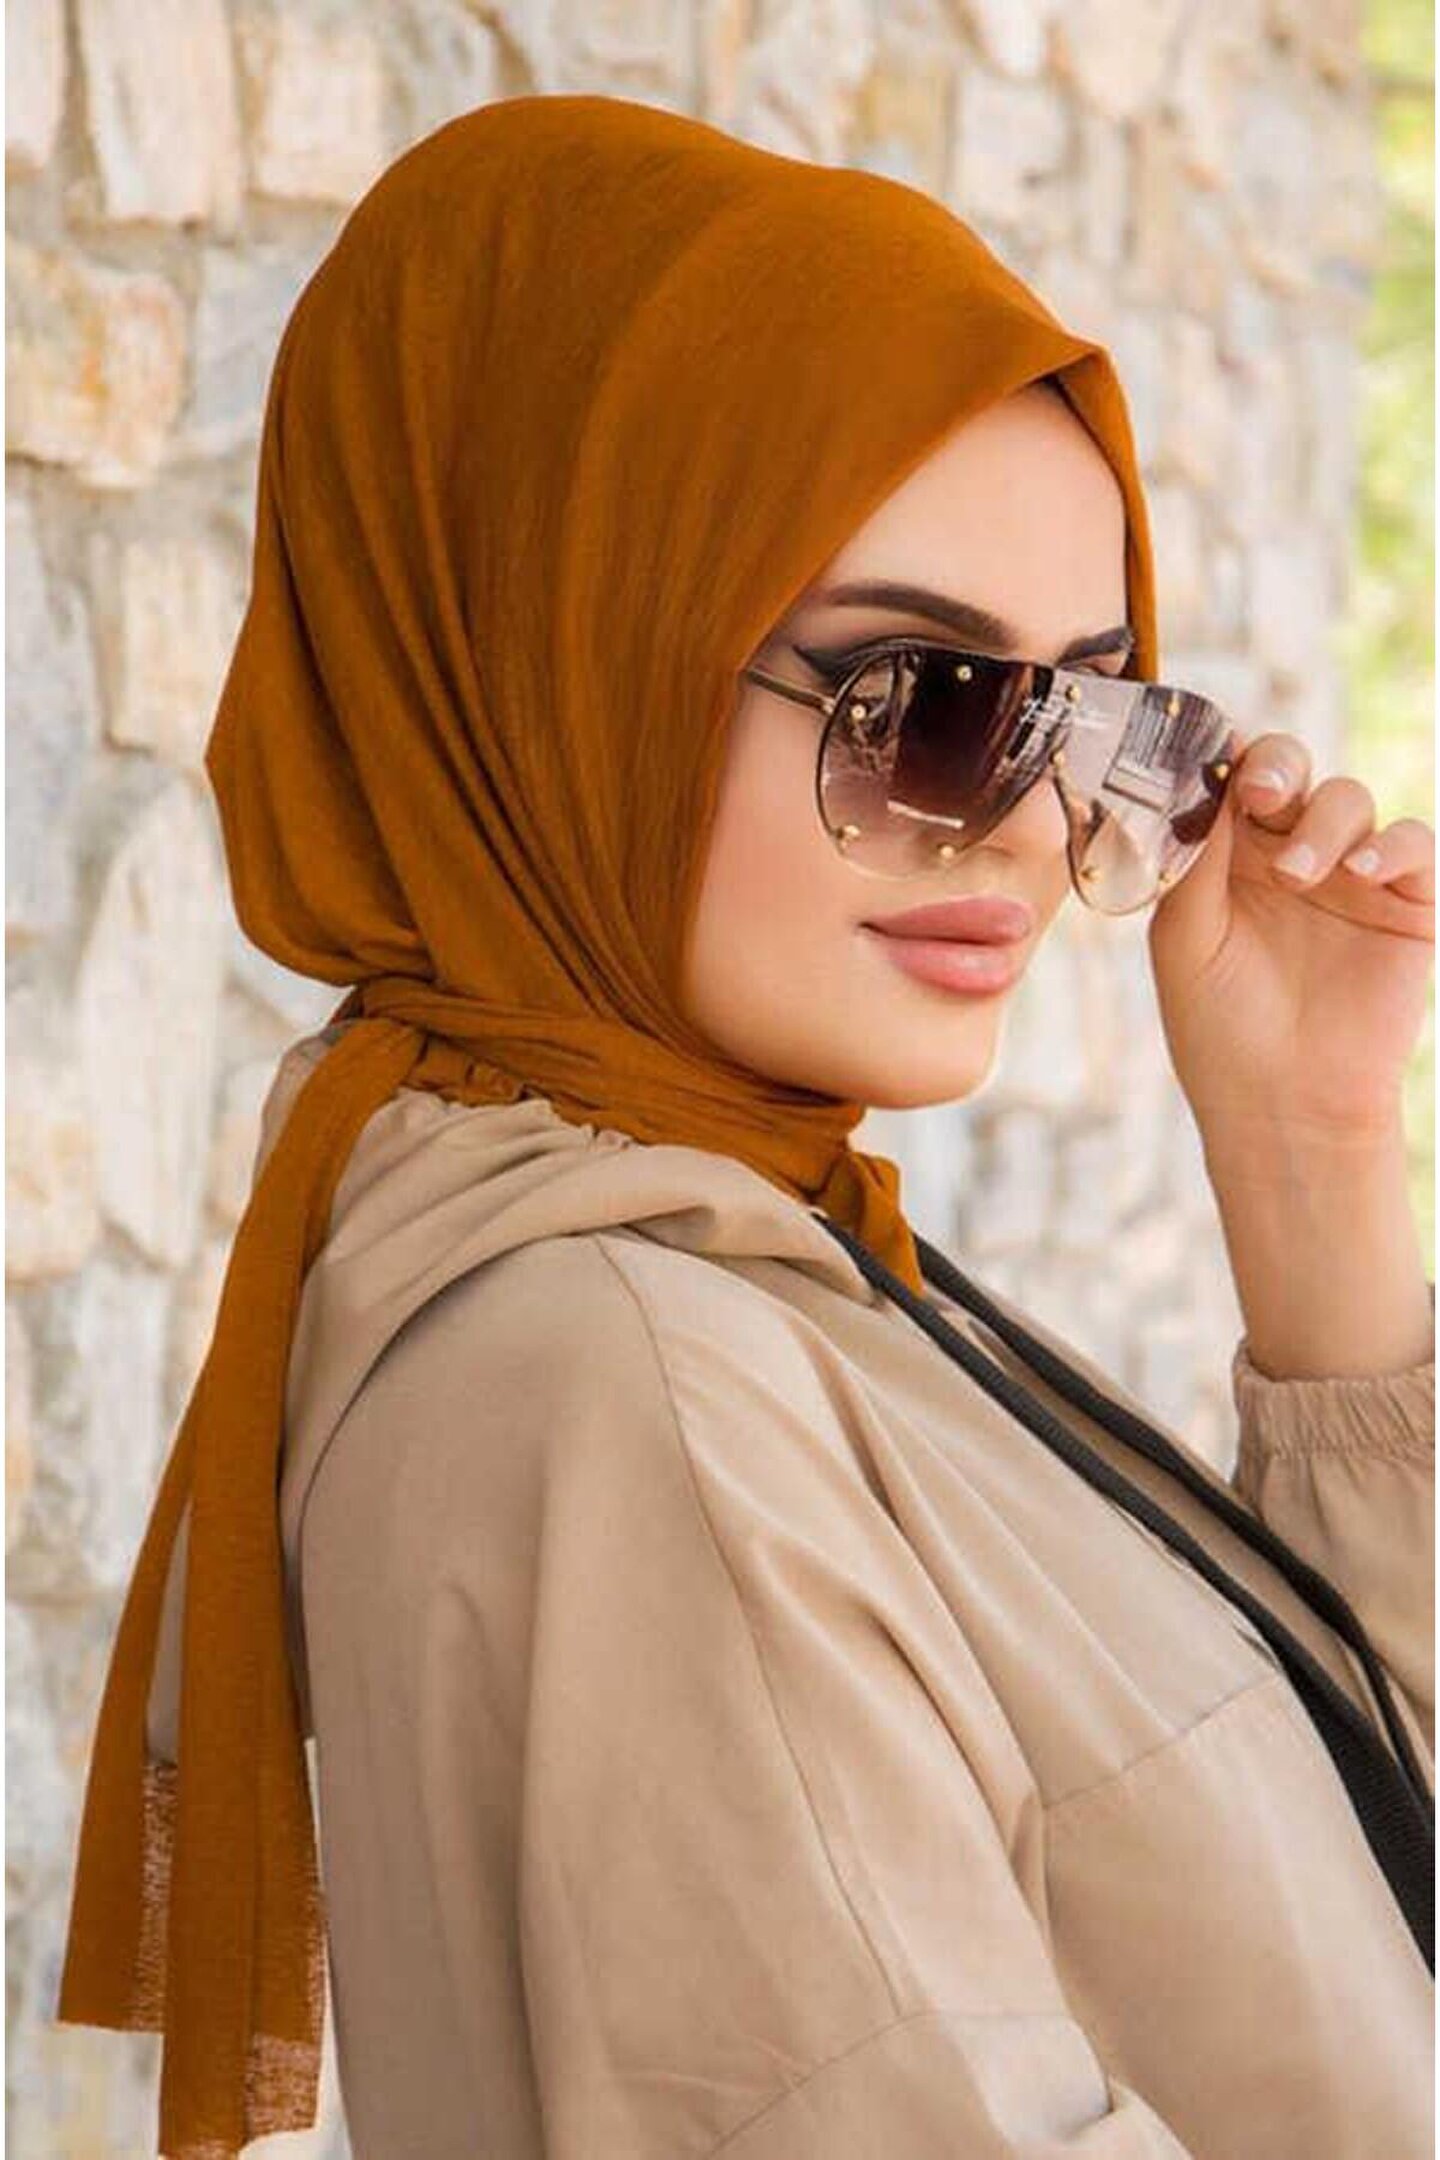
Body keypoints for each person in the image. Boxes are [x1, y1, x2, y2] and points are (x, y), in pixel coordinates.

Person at [55, 93, 1434, 2159]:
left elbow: (1381, 1914)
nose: (1033, 828)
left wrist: (1312, 1159)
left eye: (1084, 713)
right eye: (927, 707)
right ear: (565, 661)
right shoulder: (634, 1392)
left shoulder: (755, 1274)